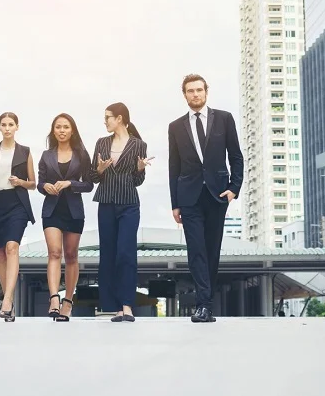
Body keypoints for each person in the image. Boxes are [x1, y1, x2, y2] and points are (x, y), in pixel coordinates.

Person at [168, 74, 243, 323]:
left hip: (217, 195)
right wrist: (174, 203)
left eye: (199, 90)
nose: (195, 94)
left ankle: (206, 304)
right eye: (190, 91)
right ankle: (204, 304)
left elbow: (236, 155)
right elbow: (174, 166)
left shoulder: (224, 119)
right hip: (188, 197)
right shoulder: (175, 126)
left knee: (211, 250)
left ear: (206, 92)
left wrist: (234, 188)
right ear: (185, 95)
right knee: (196, 251)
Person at [91, 102, 153, 322]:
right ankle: (111, 306)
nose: (105, 121)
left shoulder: (139, 145)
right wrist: (99, 170)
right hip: (106, 202)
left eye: (108, 117)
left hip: (128, 203)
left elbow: (138, 181)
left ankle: (126, 306)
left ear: (119, 118)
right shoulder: (101, 142)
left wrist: (139, 169)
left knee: (126, 253)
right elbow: (93, 177)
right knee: (107, 254)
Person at [36, 113, 93, 322]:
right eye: (58, 127)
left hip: (74, 210)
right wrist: (46, 187)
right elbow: (39, 184)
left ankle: (67, 301)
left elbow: (88, 184)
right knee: (54, 252)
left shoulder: (82, 155)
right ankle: (54, 299)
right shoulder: (46, 155)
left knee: (70, 255)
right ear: (53, 130)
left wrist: (70, 183)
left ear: (72, 130)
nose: (61, 130)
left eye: (65, 127)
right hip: (51, 210)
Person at [0, 112, 36, 322]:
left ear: (17, 127)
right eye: (3, 124)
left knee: (12, 247)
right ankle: (8, 302)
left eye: (11, 124)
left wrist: (20, 182)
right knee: (1, 254)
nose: (7, 128)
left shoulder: (25, 152)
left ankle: (8, 299)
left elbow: (33, 183)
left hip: (17, 203)